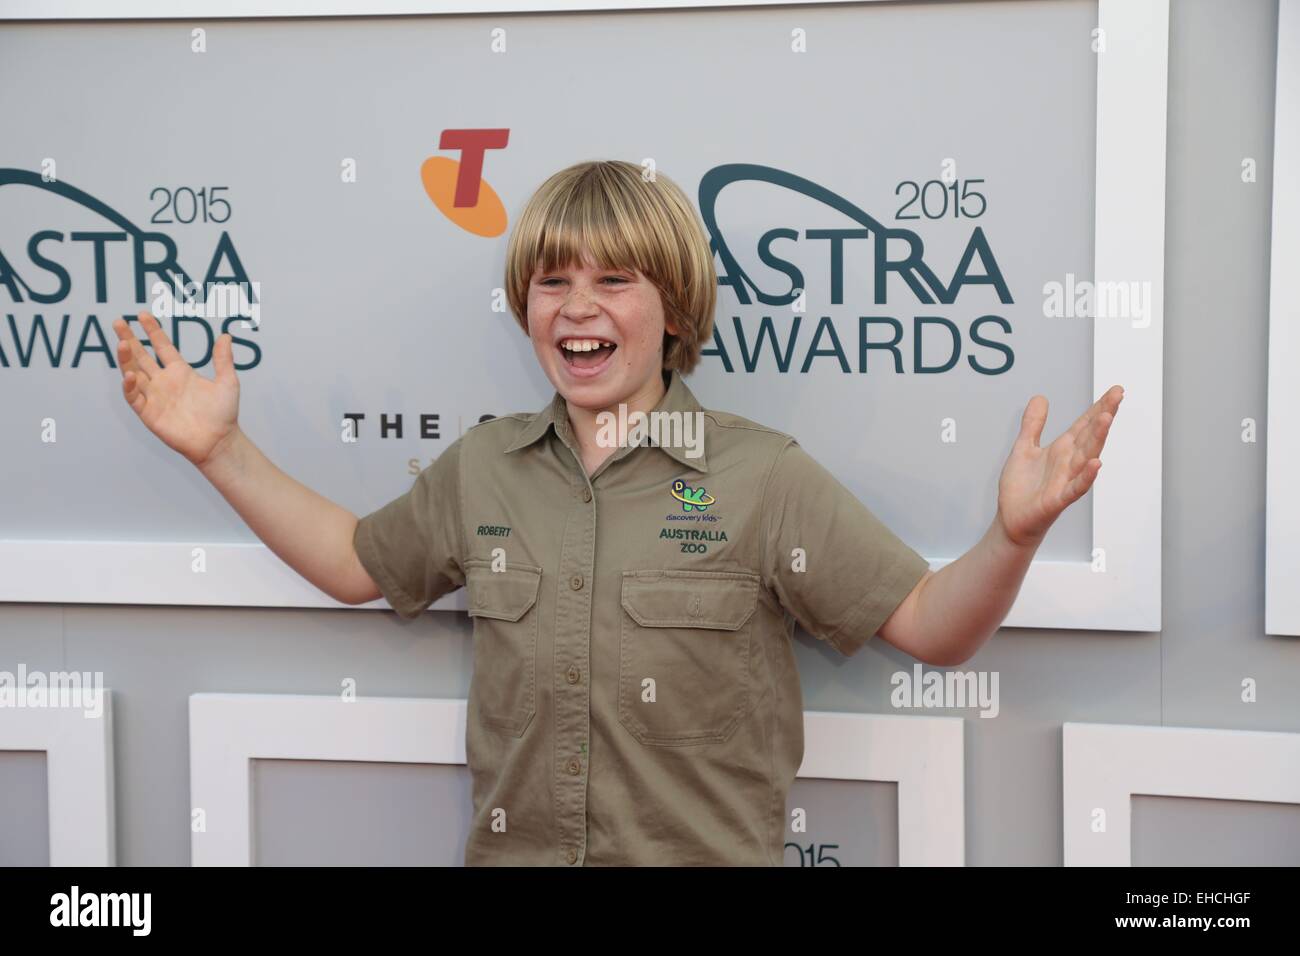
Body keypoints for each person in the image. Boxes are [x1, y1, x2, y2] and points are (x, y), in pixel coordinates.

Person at [113, 159, 1123, 866]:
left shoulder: (762, 476)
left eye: (612, 279)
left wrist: (1014, 535)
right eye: (551, 280)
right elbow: (352, 561)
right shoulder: (485, 466)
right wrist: (220, 450)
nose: (576, 304)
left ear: (675, 309)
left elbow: (932, 626)